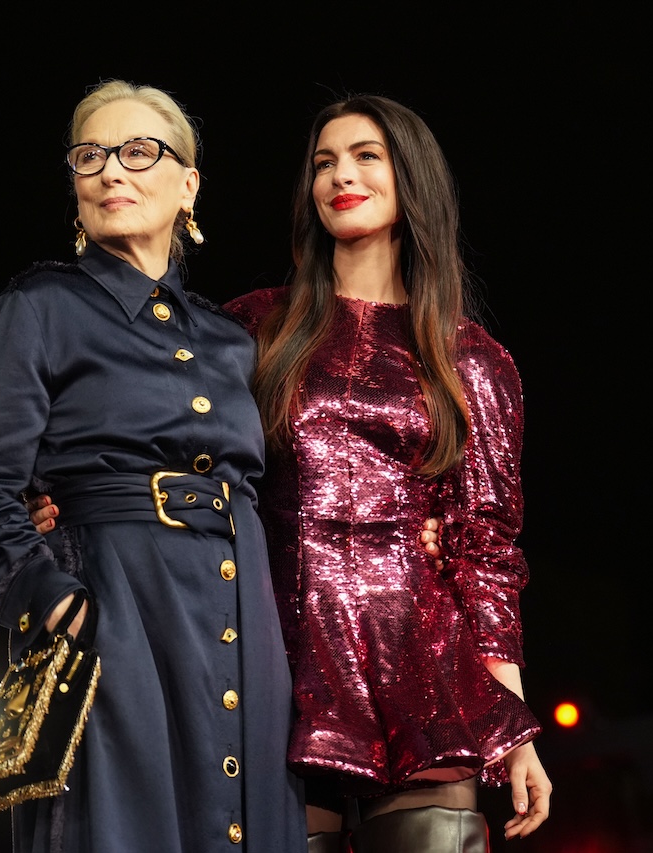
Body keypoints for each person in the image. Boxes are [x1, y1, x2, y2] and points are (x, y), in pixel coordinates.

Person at [0, 80, 304, 853]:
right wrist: (61, 603)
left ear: (188, 184)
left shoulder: (233, 341)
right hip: (115, 617)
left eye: (139, 152)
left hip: (243, 624)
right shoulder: (39, 307)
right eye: (91, 155)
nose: (111, 171)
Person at [223, 95, 552, 852]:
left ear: (411, 178)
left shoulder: (472, 359)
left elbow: (487, 554)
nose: (342, 175)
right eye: (324, 162)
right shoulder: (251, 328)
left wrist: (515, 729)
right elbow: (177, 450)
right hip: (274, 667)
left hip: (423, 674)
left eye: (366, 156)